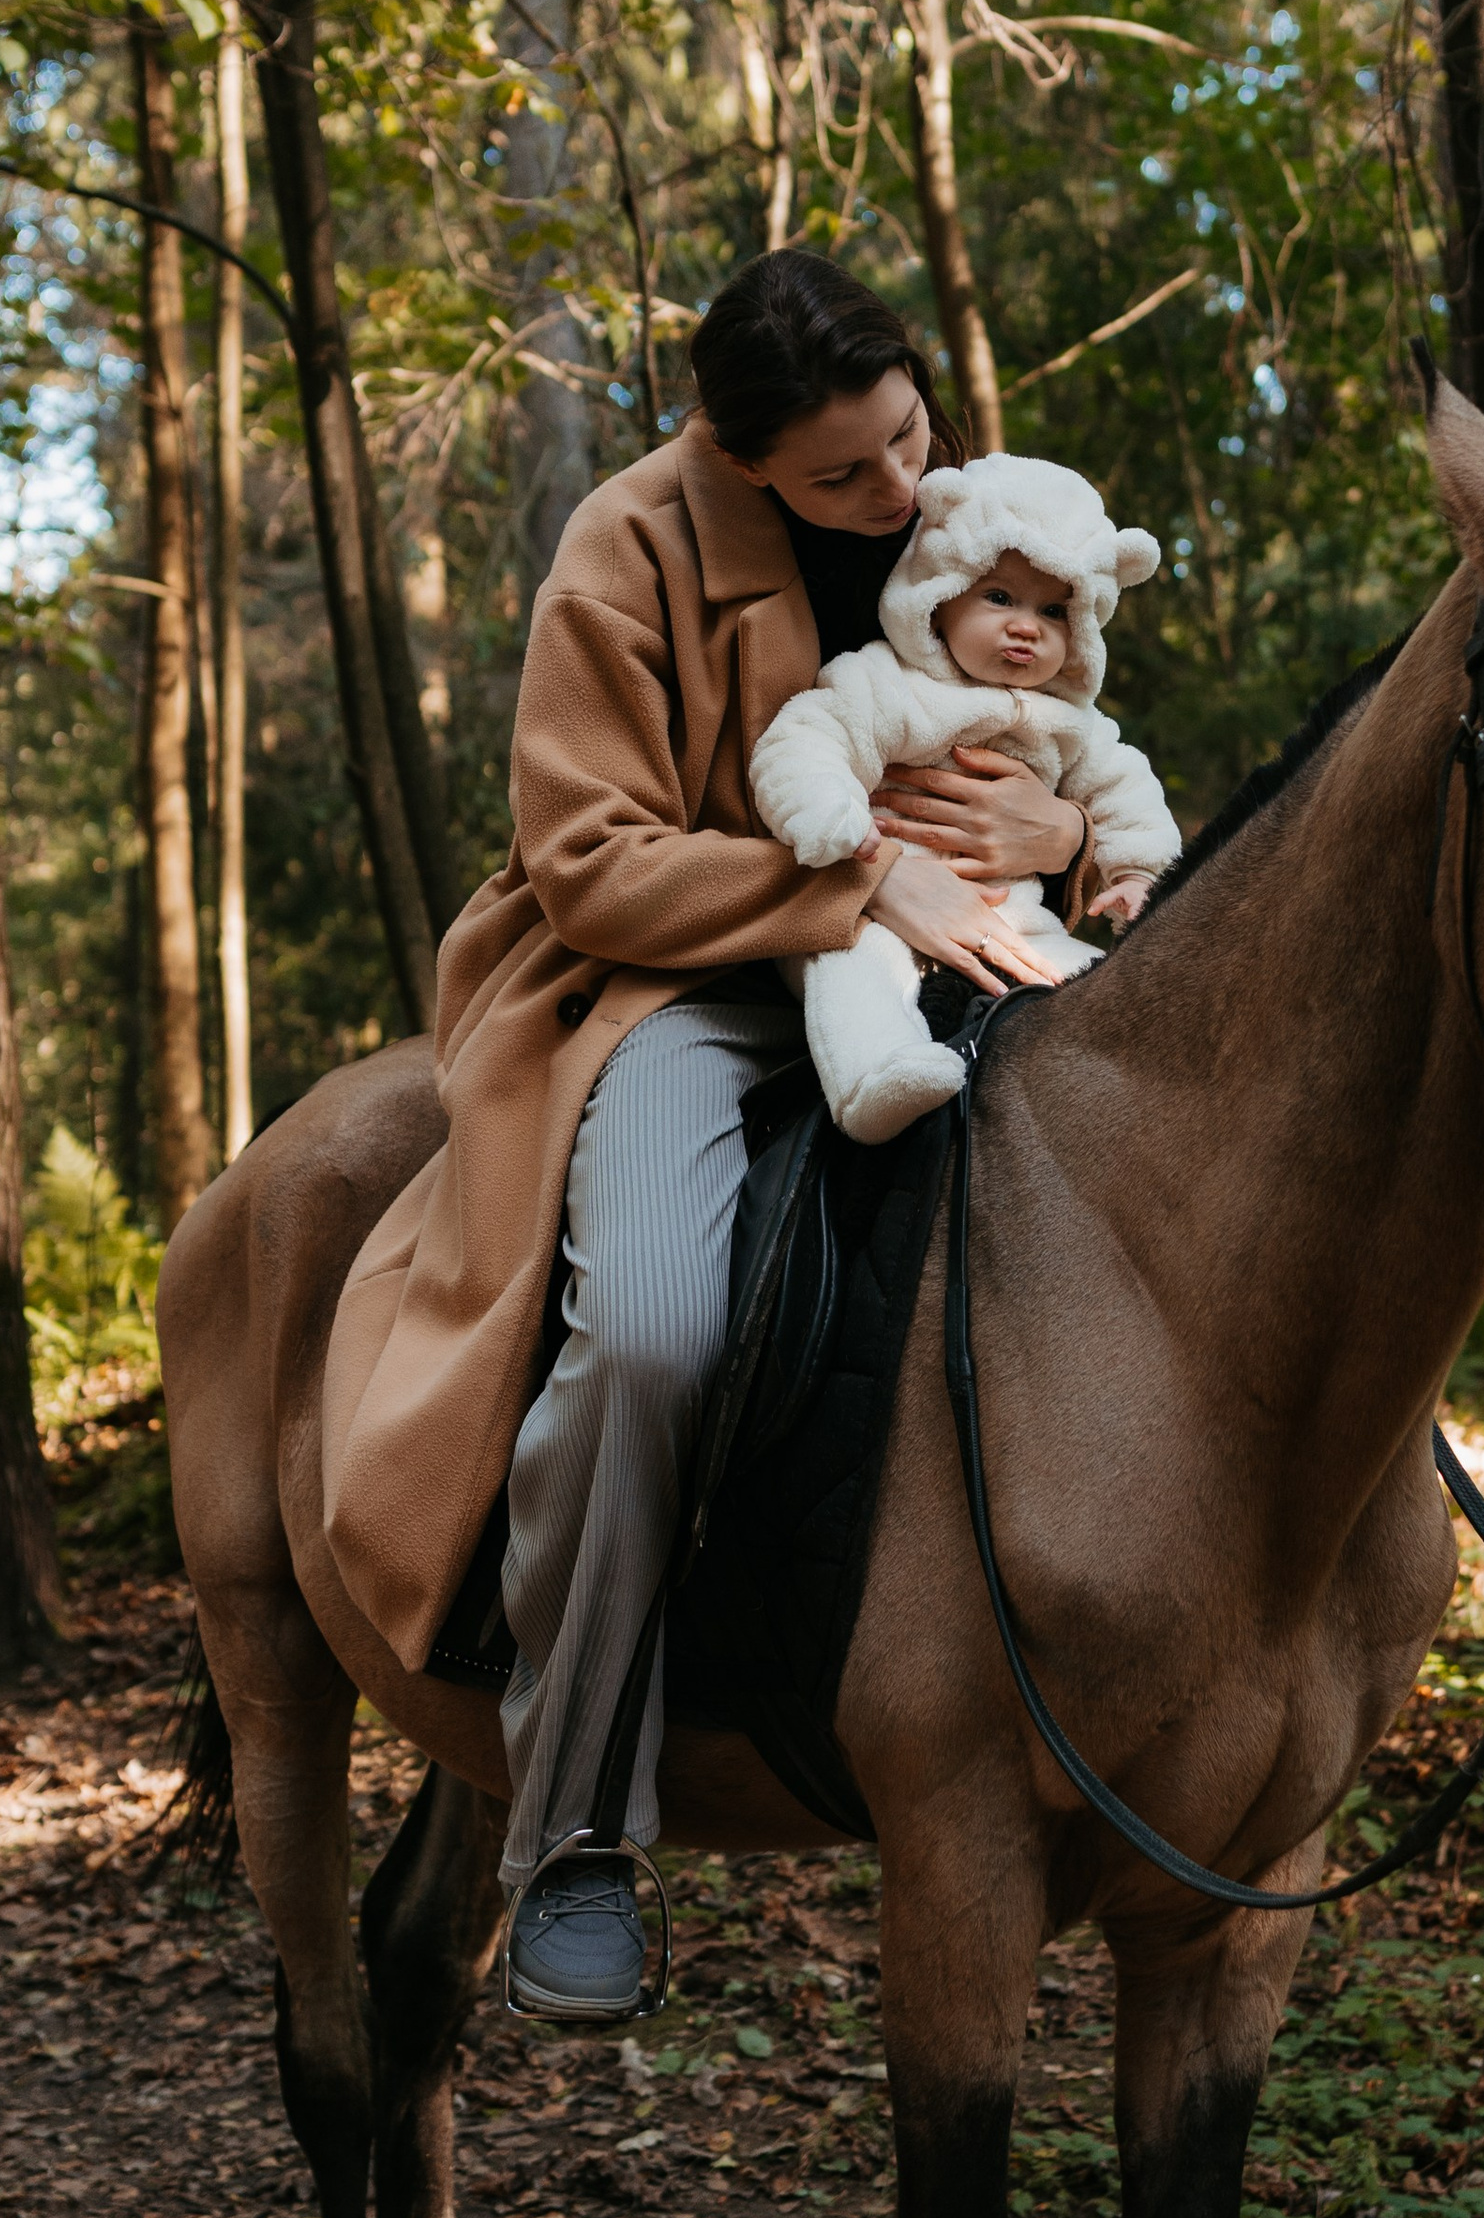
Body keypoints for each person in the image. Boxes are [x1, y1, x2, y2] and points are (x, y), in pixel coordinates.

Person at [319, 253, 1104, 2026]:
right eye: (842, 479)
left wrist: (1059, 825)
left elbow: (1076, 724)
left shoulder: (979, 502)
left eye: (907, 437)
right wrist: (854, 881)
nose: (897, 495)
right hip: (675, 986)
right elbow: (585, 860)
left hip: (987, 947)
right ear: (739, 459)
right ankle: (580, 1820)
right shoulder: (625, 547)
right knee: (660, 1328)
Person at [748, 457, 1182, 1139]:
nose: (1026, 627)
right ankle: (877, 1081)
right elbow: (805, 736)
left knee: (1101, 990)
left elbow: (1124, 789)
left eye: (1054, 610)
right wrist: (828, 811)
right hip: (865, 907)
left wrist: (1136, 874)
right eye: (1000, 598)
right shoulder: (886, 684)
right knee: (851, 974)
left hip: (1012, 920)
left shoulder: (1073, 724)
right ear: (939, 596)